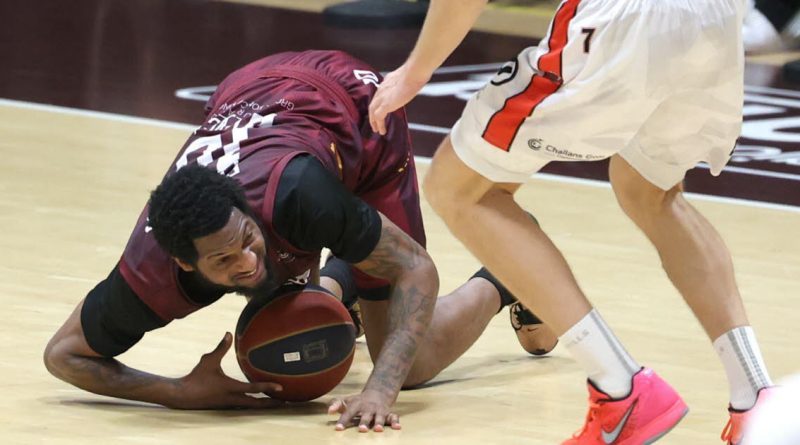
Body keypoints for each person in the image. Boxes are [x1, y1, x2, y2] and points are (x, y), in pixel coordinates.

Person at [42, 50, 557, 433]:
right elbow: (63, 356)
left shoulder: (295, 196)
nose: (246, 260)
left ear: (245, 211)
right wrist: (177, 392)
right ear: (182, 262)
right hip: (260, 101)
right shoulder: (150, 272)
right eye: (223, 260)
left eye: (246, 239)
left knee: (410, 366)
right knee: (288, 294)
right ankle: (340, 289)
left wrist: (381, 387)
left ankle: (505, 278)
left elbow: (415, 268)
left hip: (357, 111)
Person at [368, 1, 774, 444]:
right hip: (717, 15)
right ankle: (755, 396)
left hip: (627, 18)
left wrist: (416, 69)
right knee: (650, 191)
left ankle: (621, 389)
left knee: (461, 189)